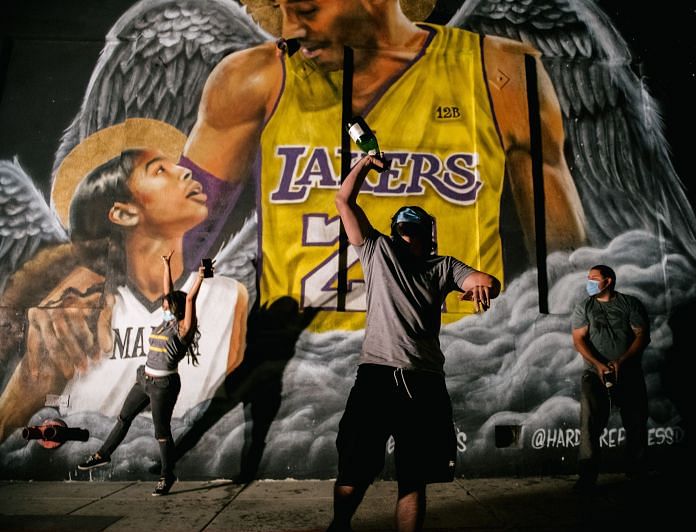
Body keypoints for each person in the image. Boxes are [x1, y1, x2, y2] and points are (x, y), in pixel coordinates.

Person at [181, 0, 586, 326]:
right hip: (306, 369)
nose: (290, 30)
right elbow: (181, 232)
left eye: (306, 11)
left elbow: (564, 267)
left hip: (458, 356)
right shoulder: (251, 79)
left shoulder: (500, 72)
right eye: (282, 10)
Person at [0, 129, 248, 446]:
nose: (186, 169)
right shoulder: (80, 310)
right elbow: (8, 422)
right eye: (159, 169)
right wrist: (33, 370)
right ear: (124, 212)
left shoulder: (227, 297)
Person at [328, 153, 500, 531]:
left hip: (423, 381)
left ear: (426, 236)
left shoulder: (442, 267)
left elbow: (486, 281)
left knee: (414, 477)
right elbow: (344, 201)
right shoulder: (377, 251)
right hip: (377, 376)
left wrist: (484, 289)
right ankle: (340, 526)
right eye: (401, 230)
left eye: (413, 231)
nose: (405, 237)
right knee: (354, 471)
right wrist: (363, 165)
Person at [77, 252, 205, 496]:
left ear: (176, 310)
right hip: (144, 380)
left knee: (161, 432)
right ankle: (102, 455)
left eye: (168, 306)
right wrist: (166, 265)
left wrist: (199, 278)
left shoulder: (183, 330)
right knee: (124, 418)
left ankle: (167, 476)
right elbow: (169, 294)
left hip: (163, 385)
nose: (163, 307)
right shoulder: (166, 321)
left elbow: (189, 301)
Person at [571, 264, 650, 492]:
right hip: (594, 376)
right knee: (589, 425)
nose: (589, 282)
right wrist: (597, 365)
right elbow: (578, 339)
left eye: (594, 278)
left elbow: (642, 335)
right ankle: (587, 476)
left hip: (630, 374)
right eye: (588, 278)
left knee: (636, 423)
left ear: (608, 281)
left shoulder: (630, 304)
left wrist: (622, 361)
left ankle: (637, 472)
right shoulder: (584, 306)